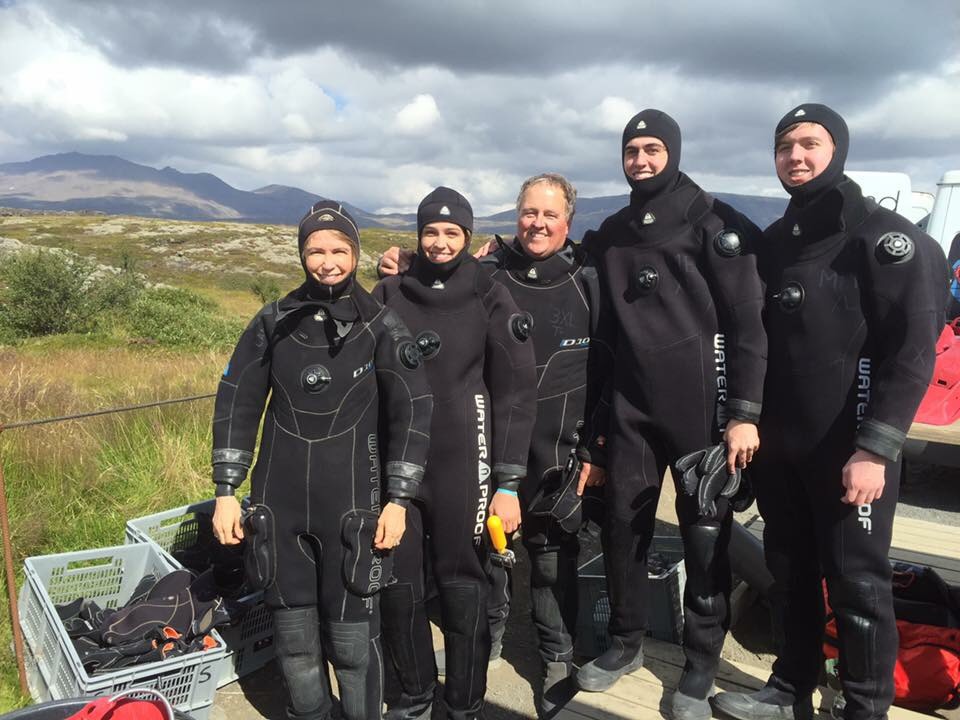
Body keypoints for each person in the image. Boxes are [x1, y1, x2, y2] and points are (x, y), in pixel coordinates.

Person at [713, 104, 948, 720]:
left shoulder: (885, 239)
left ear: (837, 150)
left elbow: (912, 353)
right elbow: (751, 340)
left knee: (858, 586)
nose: (796, 155)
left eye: (810, 143)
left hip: (851, 450)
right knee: (787, 573)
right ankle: (789, 689)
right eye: (785, 145)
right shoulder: (776, 243)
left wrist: (877, 448)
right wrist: (744, 417)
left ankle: (864, 708)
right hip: (783, 447)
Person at [379, 173, 613, 717]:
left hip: (558, 438)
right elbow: (437, 283)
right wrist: (401, 262)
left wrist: (597, 446)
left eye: (550, 215)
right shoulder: (489, 271)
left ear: (568, 221)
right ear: (515, 217)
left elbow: (612, 366)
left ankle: (557, 655)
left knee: (552, 557)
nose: (538, 223)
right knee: (490, 556)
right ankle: (491, 644)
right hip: (485, 438)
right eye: (529, 213)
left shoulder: (587, 280)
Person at [575, 109, 767, 720]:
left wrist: (743, 411)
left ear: (673, 152)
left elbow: (748, 325)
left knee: (704, 533)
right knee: (622, 528)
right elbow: (553, 267)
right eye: (632, 150)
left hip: (702, 407)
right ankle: (627, 642)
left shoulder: (715, 224)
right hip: (631, 407)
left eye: (653, 148)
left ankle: (700, 665)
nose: (641, 160)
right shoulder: (613, 233)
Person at [210, 201, 434, 720]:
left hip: (354, 510)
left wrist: (399, 500)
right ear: (301, 253)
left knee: (354, 648)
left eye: (339, 250)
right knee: (294, 643)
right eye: (315, 250)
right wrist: (226, 490)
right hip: (277, 509)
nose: (327, 260)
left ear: (355, 255)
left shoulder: (381, 326)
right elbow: (237, 403)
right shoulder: (274, 321)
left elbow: (413, 412)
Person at [373, 187, 537, 720]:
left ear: (467, 236)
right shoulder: (390, 290)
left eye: (452, 233)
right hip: (399, 462)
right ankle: (416, 694)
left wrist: (509, 482)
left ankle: (464, 704)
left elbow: (515, 391)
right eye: (430, 231)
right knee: (397, 583)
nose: (440, 242)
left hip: (465, 455)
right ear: (416, 235)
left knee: (464, 583)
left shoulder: (488, 289)